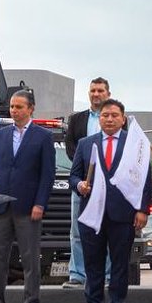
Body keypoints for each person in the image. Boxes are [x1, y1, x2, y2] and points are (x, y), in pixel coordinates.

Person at [69, 98, 152, 303]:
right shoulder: (85, 144)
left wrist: (143, 210)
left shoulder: (135, 145)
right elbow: (73, 176)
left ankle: (117, 301)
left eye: (114, 115)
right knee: (93, 266)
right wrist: (80, 185)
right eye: (105, 115)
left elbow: (145, 179)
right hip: (92, 216)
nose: (109, 119)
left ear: (122, 119)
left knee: (119, 266)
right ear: (99, 119)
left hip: (123, 215)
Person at [0, 90, 55, 303]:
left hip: (28, 209)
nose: (14, 111)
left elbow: (48, 175)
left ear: (31, 109)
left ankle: (31, 300)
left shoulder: (44, 137)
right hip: (0, 208)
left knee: (30, 261)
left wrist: (40, 203)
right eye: (12, 107)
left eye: (19, 107)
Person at [64, 78, 111, 289]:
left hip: (109, 185)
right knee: (77, 231)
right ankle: (77, 274)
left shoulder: (117, 118)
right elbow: (71, 148)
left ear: (108, 94)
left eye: (100, 90)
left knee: (108, 231)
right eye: (92, 90)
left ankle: (108, 276)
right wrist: (84, 173)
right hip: (82, 183)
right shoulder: (76, 120)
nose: (96, 94)